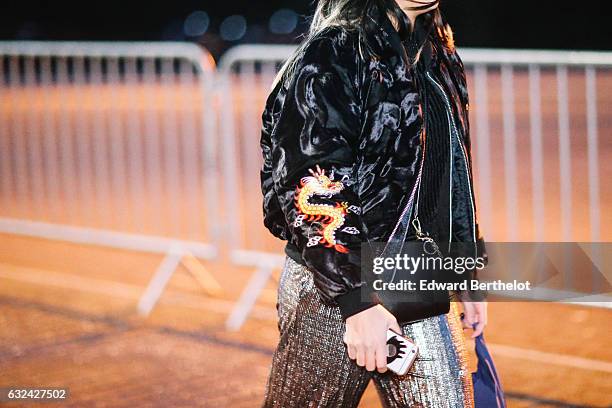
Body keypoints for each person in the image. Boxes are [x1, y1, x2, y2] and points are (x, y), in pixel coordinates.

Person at [259, 0, 488, 406]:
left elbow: (448, 176)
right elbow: (312, 182)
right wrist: (357, 299)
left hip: (419, 276)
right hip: (334, 289)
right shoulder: (336, 52)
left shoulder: (437, 53)